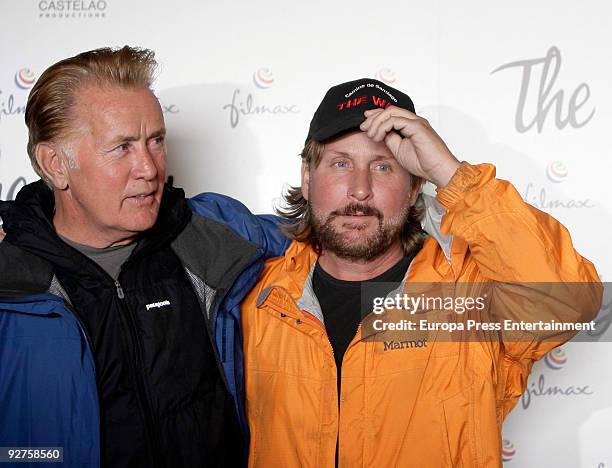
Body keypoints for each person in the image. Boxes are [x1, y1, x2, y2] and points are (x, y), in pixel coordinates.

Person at [240, 78, 602, 467]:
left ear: (415, 188)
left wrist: (452, 175)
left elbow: (569, 301)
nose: (360, 190)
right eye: (341, 163)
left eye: (383, 167)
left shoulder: (469, 296)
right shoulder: (258, 298)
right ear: (308, 178)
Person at [0, 46, 288, 467]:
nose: (150, 168)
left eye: (155, 141)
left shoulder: (213, 235)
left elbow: (351, 240)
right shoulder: (10, 285)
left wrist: (423, 178)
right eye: (121, 147)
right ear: (56, 165)